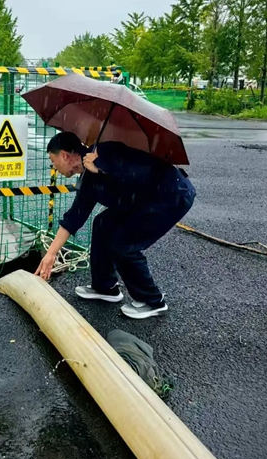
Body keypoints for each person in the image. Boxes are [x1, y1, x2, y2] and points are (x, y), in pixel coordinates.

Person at [35, 131, 196, 319]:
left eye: (53, 161)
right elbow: (74, 217)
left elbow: (141, 171)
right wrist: (51, 254)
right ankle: (105, 287)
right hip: (142, 199)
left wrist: (102, 168)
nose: (54, 167)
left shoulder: (105, 152)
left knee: (123, 243)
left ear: (64, 155)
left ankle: (153, 301)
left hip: (170, 196)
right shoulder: (87, 177)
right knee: (103, 223)